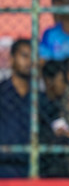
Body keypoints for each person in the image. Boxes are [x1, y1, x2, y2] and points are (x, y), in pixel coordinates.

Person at [0, 39, 32, 177]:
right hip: (4, 165)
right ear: (12, 59)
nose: (29, 62)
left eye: (33, 57)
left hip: (33, 165)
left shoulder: (40, 97)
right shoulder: (1, 93)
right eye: (24, 56)